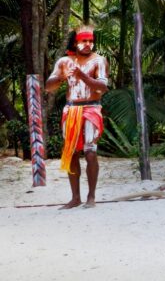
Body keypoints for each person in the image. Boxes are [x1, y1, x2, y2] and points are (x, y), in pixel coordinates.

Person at [45, 25, 109, 209]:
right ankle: (75, 198)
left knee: (90, 151)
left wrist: (83, 76)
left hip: (91, 108)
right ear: (76, 42)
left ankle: (91, 197)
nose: (88, 44)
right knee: (72, 152)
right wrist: (61, 78)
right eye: (84, 41)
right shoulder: (64, 61)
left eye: (91, 41)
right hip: (71, 109)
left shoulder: (99, 61)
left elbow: (102, 88)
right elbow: (49, 87)